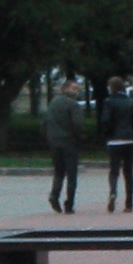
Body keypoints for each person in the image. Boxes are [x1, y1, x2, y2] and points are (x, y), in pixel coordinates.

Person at [101, 82, 133, 213]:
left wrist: (106, 135)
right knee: (128, 172)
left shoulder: (108, 102)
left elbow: (105, 121)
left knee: (114, 170)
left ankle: (113, 191)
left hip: (114, 141)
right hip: (129, 140)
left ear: (112, 88)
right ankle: (129, 203)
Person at [43, 86, 86, 214]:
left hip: (54, 142)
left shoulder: (52, 103)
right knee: (72, 174)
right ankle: (69, 204)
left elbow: (45, 122)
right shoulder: (73, 105)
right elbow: (77, 124)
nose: (76, 91)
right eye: (74, 88)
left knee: (59, 171)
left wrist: (48, 136)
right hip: (69, 142)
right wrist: (81, 136)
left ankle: (54, 195)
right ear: (65, 89)